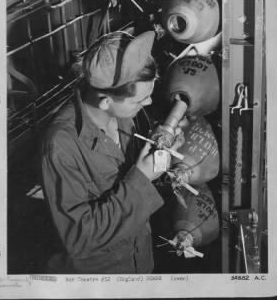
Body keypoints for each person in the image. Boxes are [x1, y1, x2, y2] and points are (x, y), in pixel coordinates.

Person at [40, 30, 183, 274]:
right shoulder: (61, 145)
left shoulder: (123, 115)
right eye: (140, 100)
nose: (148, 104)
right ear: (105, 101)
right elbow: (79, 237)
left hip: (140, 260)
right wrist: (142, 177)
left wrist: (160, 157)